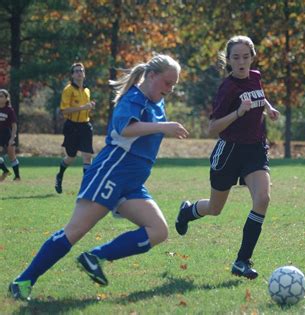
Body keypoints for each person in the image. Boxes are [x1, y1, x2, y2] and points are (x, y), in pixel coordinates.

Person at [9, 54, 189, 300]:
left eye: (174, 84)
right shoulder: (133, 98)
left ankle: (95, 256)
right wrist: (163, 127)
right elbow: (123, 128)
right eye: (168, 82)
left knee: (158, 230)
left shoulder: (157, 102)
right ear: (152, 76)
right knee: (76, 230)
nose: (170, 89)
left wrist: (163, 125)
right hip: (110, 174)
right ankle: (22, 281)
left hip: (132, 182)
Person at [175, 35, 280, 280]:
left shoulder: (255, 77)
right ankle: (187, 212)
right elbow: (212, 128)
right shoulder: (228, 88)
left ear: (252, 57)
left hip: (254, 149)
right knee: (215, 208)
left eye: (246, 56)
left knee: (263, 199)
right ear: (228, 61)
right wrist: (238, 112)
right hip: (229, 152)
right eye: (236, 57)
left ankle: (242, 261)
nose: (241, 61)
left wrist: (268, 107)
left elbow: (260, 96)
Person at [55, 62, 95, 194]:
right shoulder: (68, 90)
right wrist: (83, 108)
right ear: (72, 75)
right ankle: (59, 175)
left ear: (84, 74)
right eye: (76, 71)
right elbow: (64, 111)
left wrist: (89, 108)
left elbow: (86, 109)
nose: (79, 73)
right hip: (72, 126)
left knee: (87, 156)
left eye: (81, 70)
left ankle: (86, 187)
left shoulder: (87, 90)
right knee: (71, 157)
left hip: (85, 125)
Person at [0, 89, 20, 181]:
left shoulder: (9, 110)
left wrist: (12, 138)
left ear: (6, 98)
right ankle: (5, 171)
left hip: (7, 134)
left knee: (12, 156)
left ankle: (17, 177)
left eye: (1, 96)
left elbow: (14, 126)